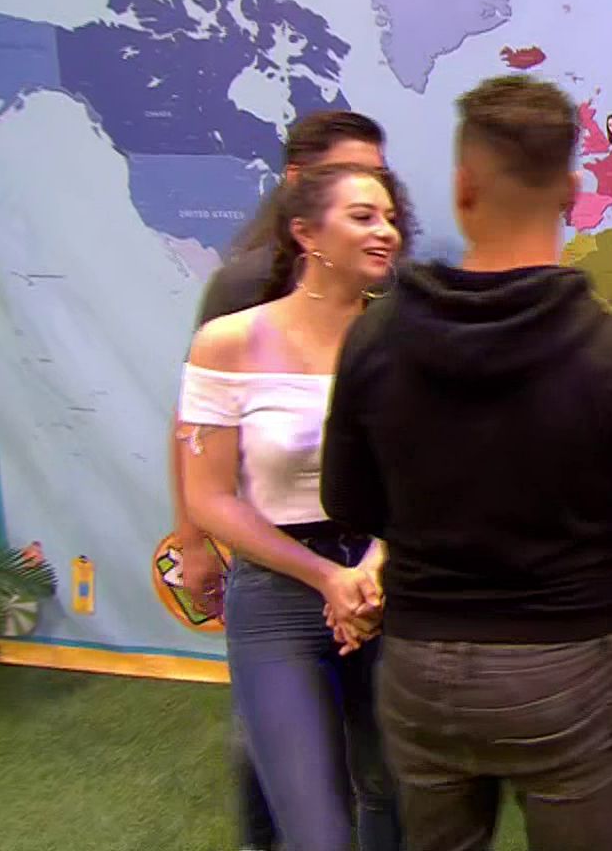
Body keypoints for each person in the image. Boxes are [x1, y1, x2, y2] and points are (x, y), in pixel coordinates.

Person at [319, 74, 612, 851]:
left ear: (463, 186)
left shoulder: (376, 336)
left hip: (421, 664)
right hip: (571, 668)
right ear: (572, 193)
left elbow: (347, 504)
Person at [168, 109, 386, 851]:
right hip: (277, 582)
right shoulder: (234, 319)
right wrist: (323, 577)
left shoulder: (402, 325)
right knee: (307, 814)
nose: (382, 225)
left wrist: (372, 570)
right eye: (359, 204)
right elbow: (204, 474)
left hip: (383, 586)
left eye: (386, 204)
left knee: (390, 795)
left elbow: (427, 471)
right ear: (305, 220)